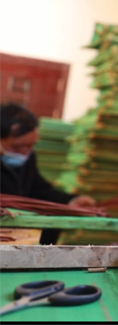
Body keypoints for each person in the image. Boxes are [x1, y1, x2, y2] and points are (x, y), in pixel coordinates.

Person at [0, 102, 97, 245]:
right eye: (18, 146)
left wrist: (70, 201)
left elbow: (40, 190)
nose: (25, 152)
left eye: (30, 146)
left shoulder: (28, 159)